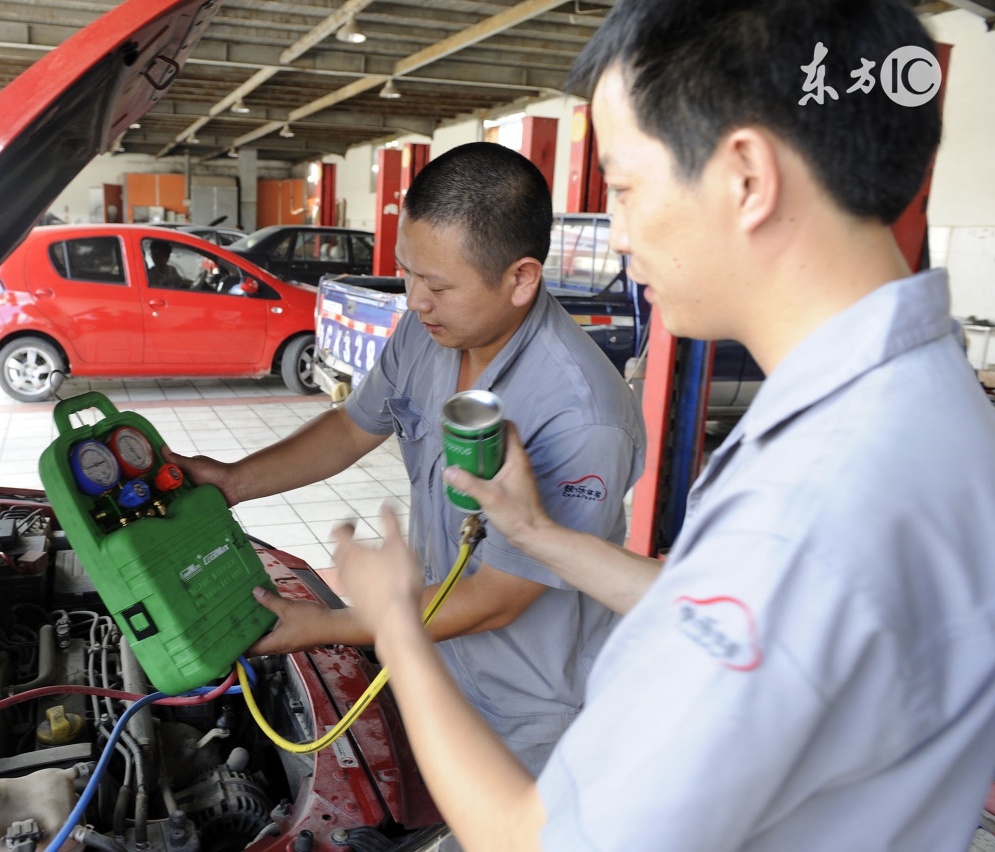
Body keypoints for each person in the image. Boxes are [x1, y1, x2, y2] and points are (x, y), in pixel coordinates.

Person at [330, 1, 995, 849]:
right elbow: (734, 614)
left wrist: (394, 621)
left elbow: (539, 837)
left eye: (629, 186)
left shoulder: (814, 500)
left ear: (746, 179)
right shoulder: (918, 397)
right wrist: (537, 532)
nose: (618, 233)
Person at [167, 142, 644, 772]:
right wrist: (232, 481)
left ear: (521, 278)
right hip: (436, 657)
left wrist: (330, 625)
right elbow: (351, 425)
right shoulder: (430, 330)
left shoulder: (581, 413)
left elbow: (499, 596)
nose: (415, 299)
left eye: (438, 284)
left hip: (531, 711)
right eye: (407, 271)